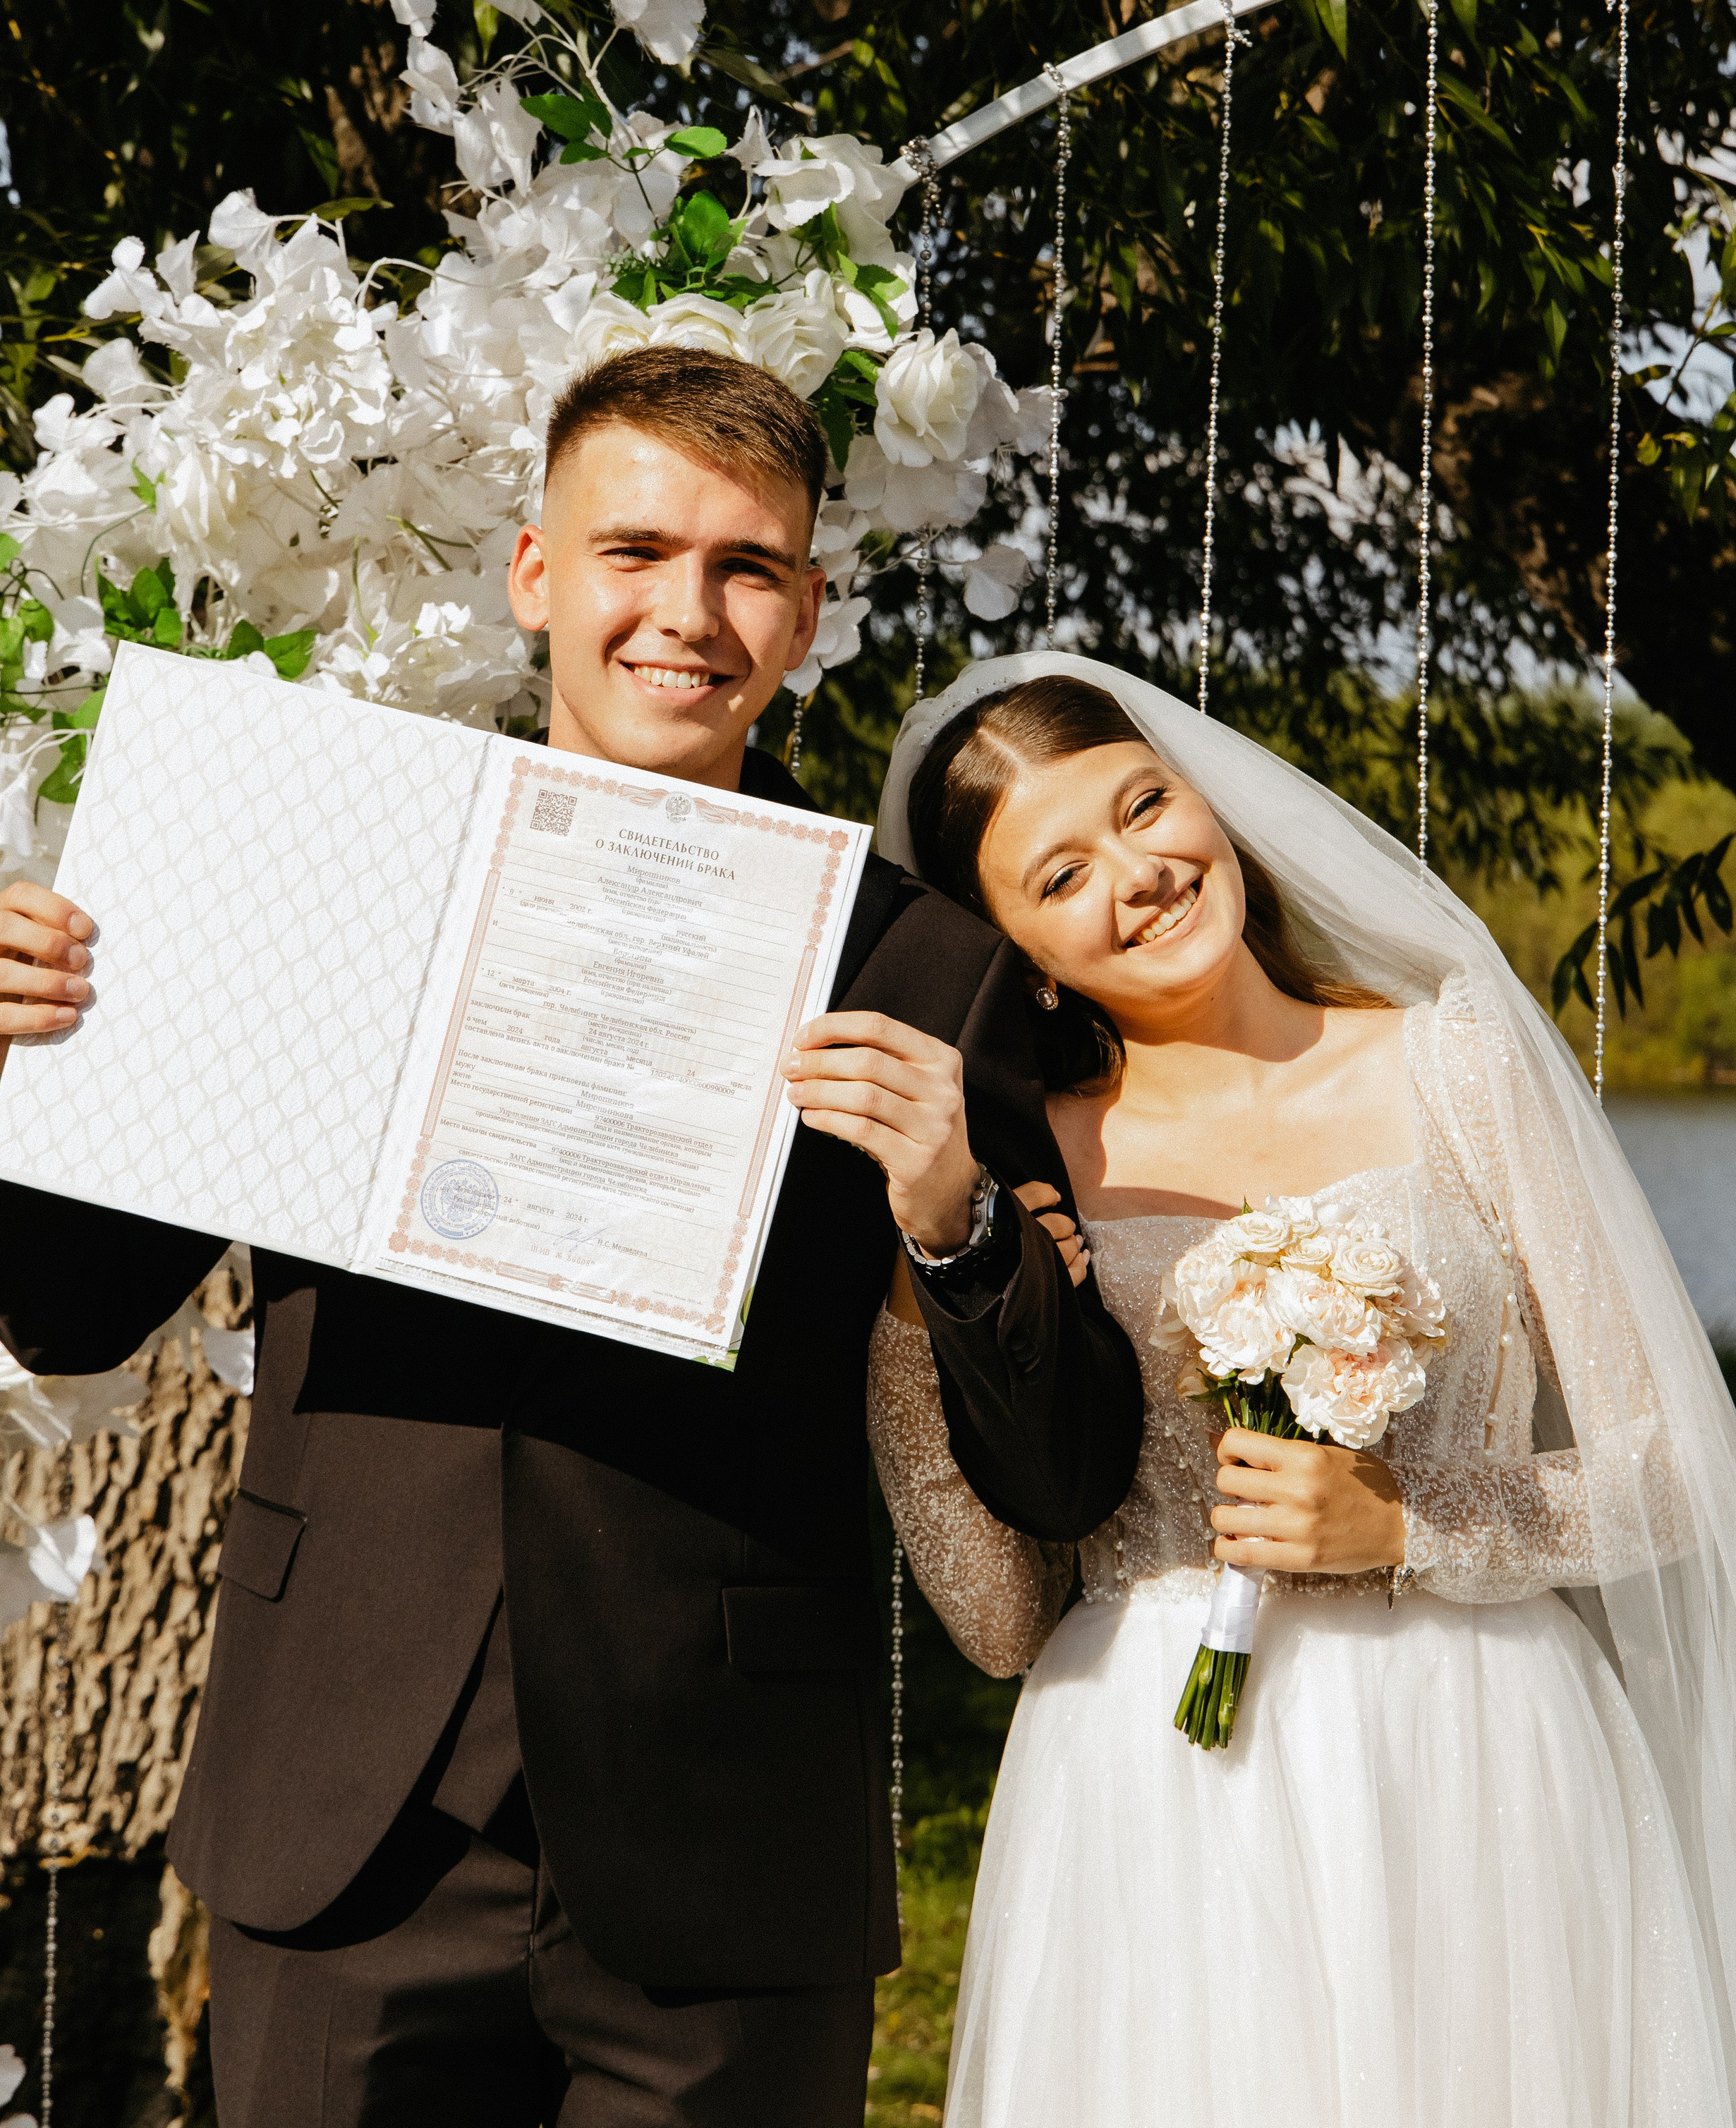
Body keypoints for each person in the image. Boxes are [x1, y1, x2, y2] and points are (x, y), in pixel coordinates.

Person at [0, 353, 1143, 2128]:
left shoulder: (920, 966)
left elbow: (1063, 1476)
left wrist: (958, 1217)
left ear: (808, 613)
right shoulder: (328, 872)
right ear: (535, 571)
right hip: (341, 1816)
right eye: (636, 551)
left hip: (724, 1844)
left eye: (746, 567)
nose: (687, 612)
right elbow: (66, 1315)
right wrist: (24, 1061)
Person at [866, 654, 1736, 2128]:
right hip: (1159, 1796)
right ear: (1023, 953)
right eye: (1061, 874)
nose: (1139, 874)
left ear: (1209, 803)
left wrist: (1405, 1519)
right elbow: (995, 1620)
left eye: (1141, 807)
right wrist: (938, 1272)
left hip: (1477, 1753)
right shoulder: (1005, 1174)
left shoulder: (1457, 1067)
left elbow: (1671, 1473)